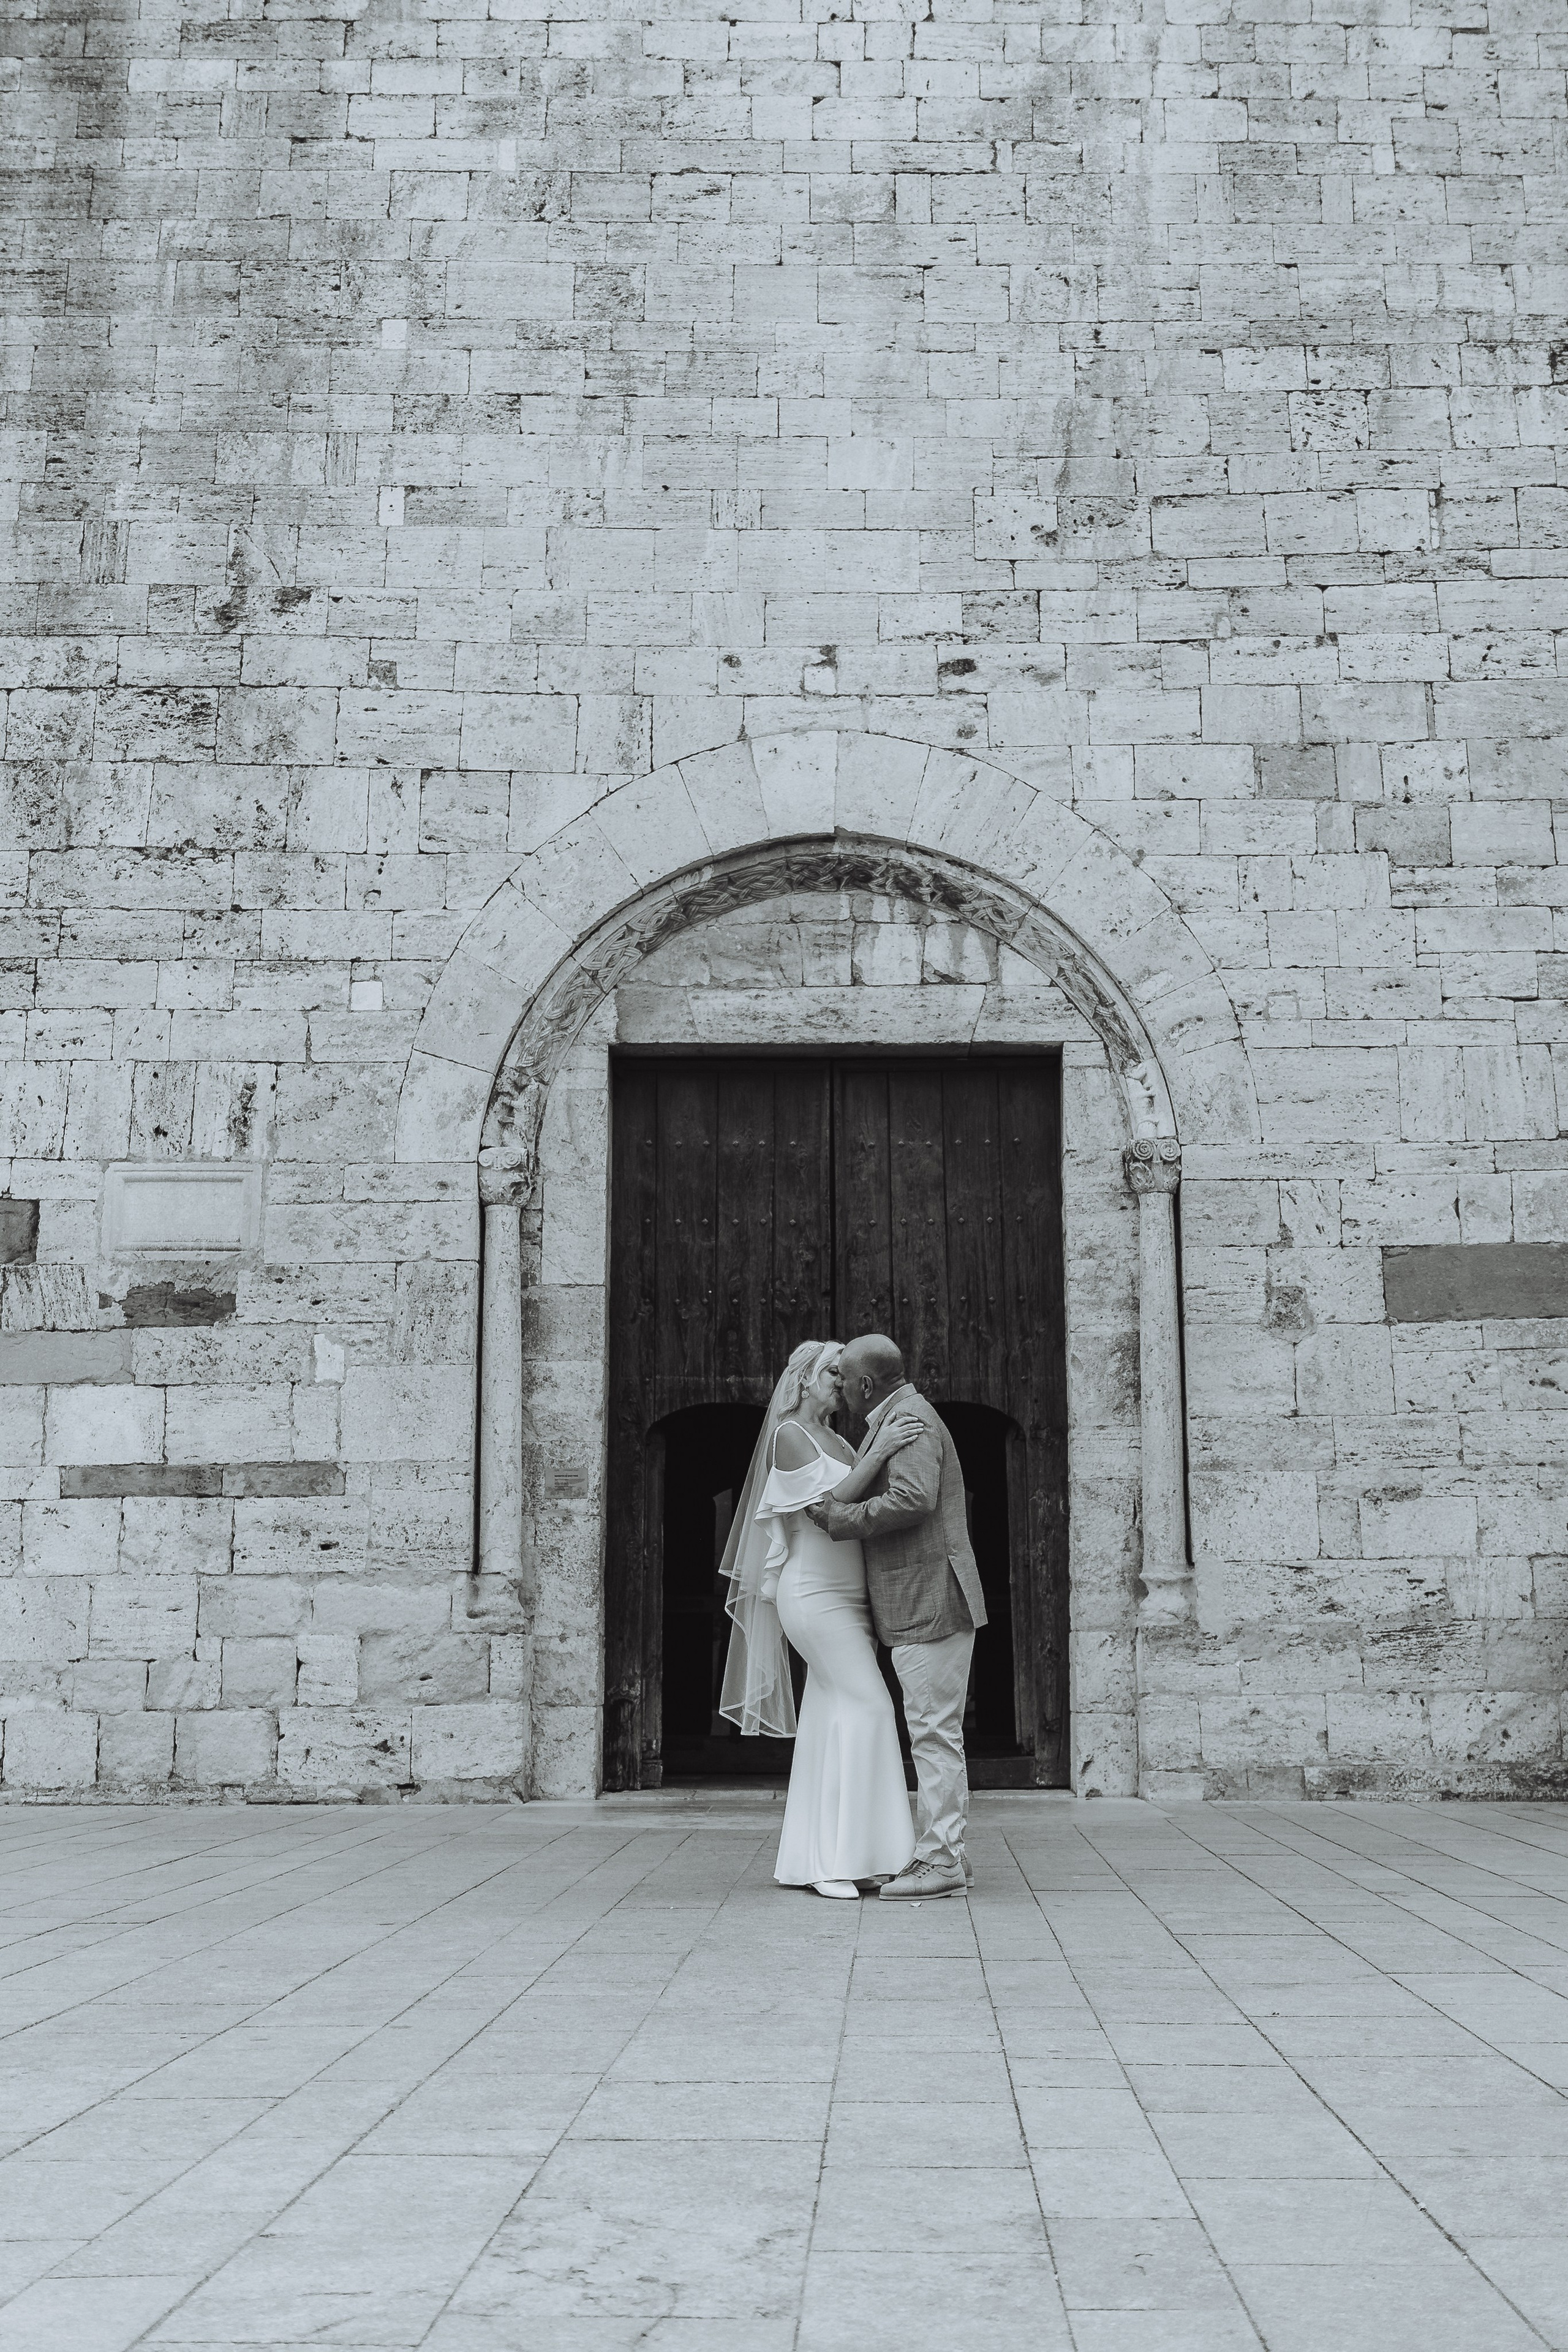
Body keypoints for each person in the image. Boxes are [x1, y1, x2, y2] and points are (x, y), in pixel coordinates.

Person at [718, 1339, 924, 1898]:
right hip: (812, 1593)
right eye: (832, 1371)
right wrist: (881, 1453)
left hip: (852, 1597)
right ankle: (844, 1860)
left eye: (844, 1372)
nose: (842, 1379)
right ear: (805, 1379)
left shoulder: (838, 1437)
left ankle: (826, 1859)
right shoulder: (790, 1434)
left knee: (831, 1719)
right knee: (874, 1707)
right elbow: (830, 1508)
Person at [805, 1333, 986, 1901]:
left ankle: (939, 1860)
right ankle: (949, 1853)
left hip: (929, 1600)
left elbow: (913, 1498)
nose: (841, 1390)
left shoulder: (910, 1420)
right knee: (936, 1731)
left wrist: (841, 1516)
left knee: (934, 1734)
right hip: (921, 1600)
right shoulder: (896, 1419)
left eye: (845, 1380)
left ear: (864, 1384)